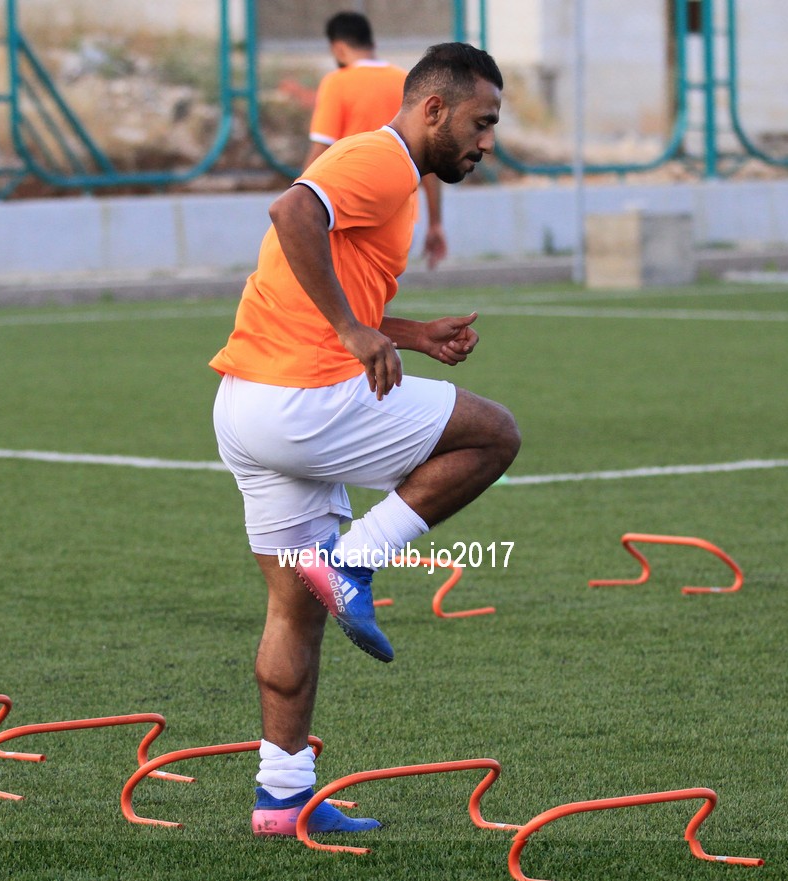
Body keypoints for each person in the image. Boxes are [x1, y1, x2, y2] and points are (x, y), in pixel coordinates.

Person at [210, 41, 519, 837]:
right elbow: (291, 213)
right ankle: (354, 559)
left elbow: (326, 280)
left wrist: (410, 333)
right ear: (434, 109)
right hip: (306, 400)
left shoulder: (394, 176)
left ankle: (282, 797)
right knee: (493, 436)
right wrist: (354, 332)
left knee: (293, 609)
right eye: (481, 122)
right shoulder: (380, 160)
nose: (488, 141)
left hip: (246, 406)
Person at [301, 11, 448, 269]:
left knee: (343, 291)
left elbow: (321, 150)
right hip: (401, 217)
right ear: (372, 43)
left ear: (338, 48)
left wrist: (298, 201)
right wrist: (435, 223)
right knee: (378, 290)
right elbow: (427, 163)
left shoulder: (337, 83)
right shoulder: (407, 82)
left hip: (351, 212)